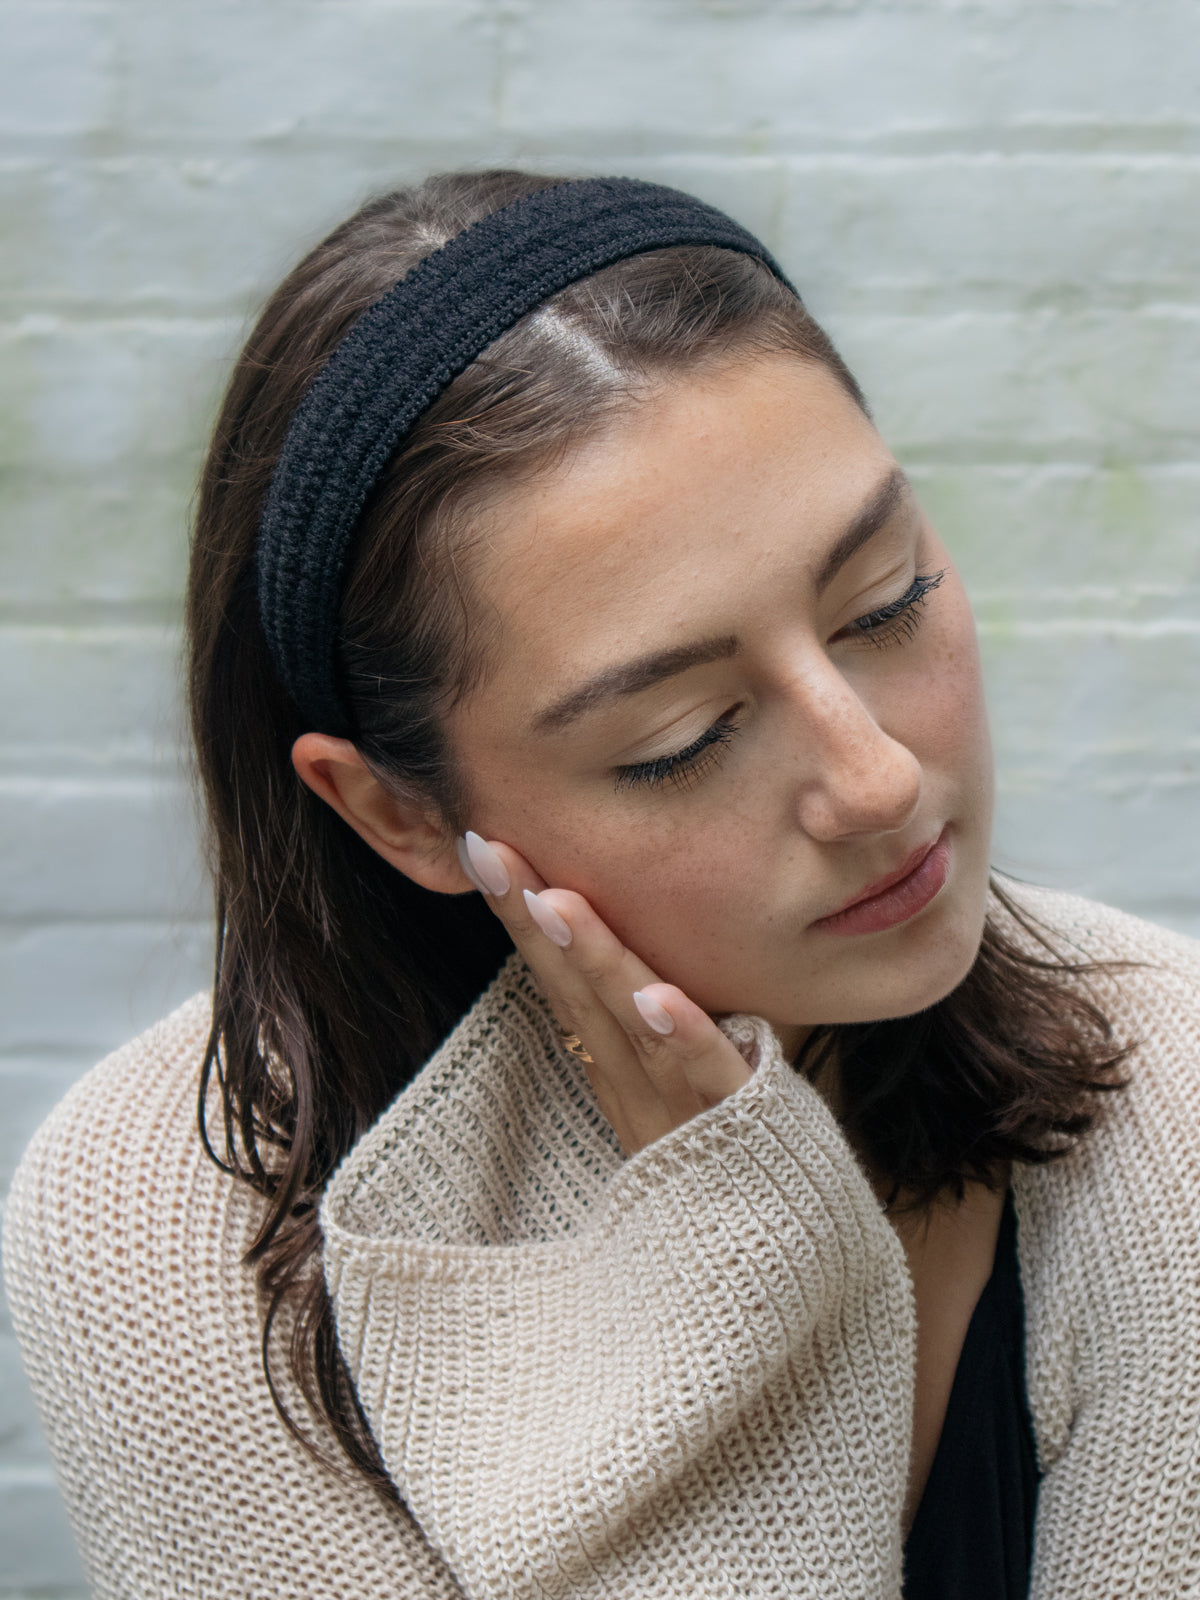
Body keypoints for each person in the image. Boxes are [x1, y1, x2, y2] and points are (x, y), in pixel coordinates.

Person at [4, 170, 1199, 1600]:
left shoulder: (1169, 1105)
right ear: (397, 810)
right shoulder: (173, 1208)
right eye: (679, 740)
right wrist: (738, 1285)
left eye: (885, 598)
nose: (875, 780)